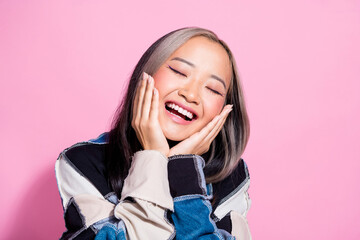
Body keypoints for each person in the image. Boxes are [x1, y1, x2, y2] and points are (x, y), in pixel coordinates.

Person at [55, 27, 251, 240]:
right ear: (146, 73)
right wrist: (152, 157)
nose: (191, 94)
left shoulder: (233, 177)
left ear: (224, 110)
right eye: (179, 72)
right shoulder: (82, 163)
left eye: (212, 89)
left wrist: (183, 167)